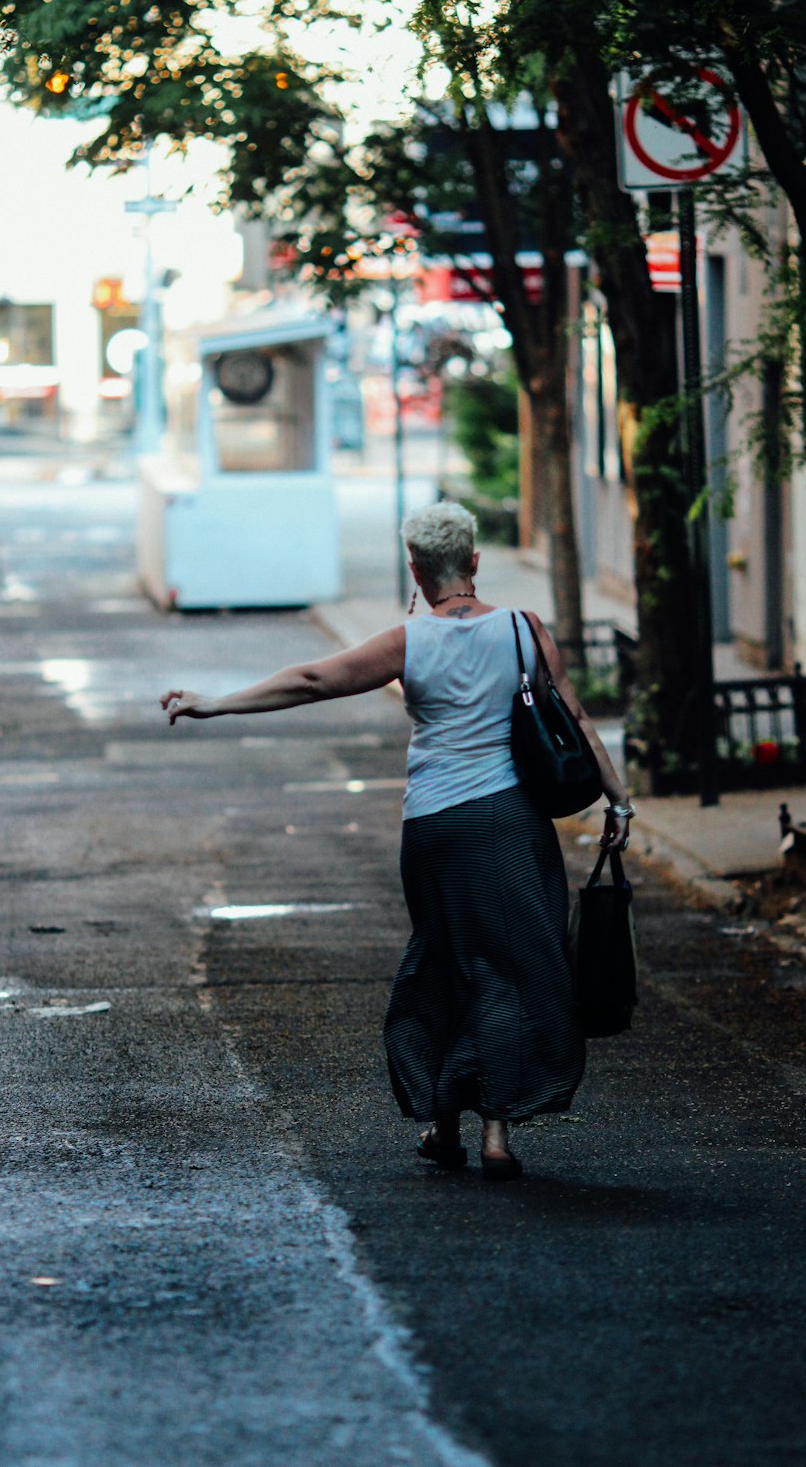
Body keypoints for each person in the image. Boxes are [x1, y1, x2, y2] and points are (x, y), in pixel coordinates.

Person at [160, 502, 632, 1181]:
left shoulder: (407, 642)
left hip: (435, 828)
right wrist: (618, 800)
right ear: (474, 559)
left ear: (415, 566)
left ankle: (444, 1128)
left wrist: (214, 702)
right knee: (510, 968)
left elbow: (312, 680)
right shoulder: (526, 633)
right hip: (510, 822)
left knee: (445, 960)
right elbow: (576, 716)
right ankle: (496, 1135)